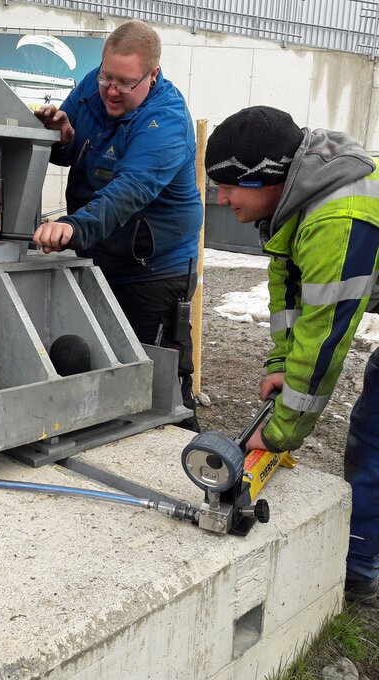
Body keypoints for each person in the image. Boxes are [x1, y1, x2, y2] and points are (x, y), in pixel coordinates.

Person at [205, 105, 379, 604]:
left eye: (229, 186)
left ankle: (357, 569)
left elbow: (325, 339)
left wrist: (282, 432)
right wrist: (281, 364)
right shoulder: (298, 196)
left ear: (267, 178)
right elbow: (288, 290)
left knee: (374, 432)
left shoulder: (337, 218)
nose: (221, 199)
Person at [32, 19, 204, 431]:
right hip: (99, 257)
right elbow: (71, 150)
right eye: (106, 77)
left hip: (153, 271)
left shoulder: (166, 121)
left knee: (159, 389)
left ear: (152, 75)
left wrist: (74, 228)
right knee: (99, 367)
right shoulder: (93, 86)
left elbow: (129, 190)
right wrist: (61, 138)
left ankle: (183, 455)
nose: (111, 90)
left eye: (125, 83)